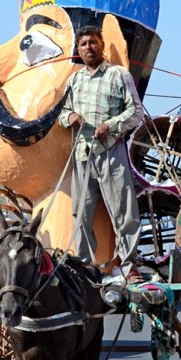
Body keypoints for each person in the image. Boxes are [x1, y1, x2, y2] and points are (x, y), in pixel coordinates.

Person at [59, 25, 144, 282]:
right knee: (81, 215)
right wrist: (70, 116)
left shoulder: (118, 75)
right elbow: (61, 113)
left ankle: (129, 268)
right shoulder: (74, 80)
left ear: (102, 46)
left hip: (111, 154)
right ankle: (84, 270)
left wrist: (111, 126)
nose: (88, 47)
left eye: (93, 42)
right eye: (83, 44)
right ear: (78, 50)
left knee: (124, 214)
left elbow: (136, 112)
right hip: (82, 156)